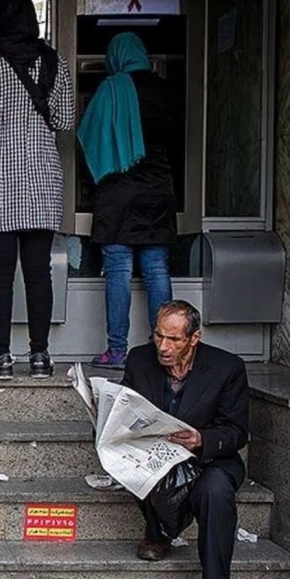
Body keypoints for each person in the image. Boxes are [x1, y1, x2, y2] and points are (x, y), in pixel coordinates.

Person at [0, 0, 75, 380]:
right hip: (43, 178)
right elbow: (65, 120)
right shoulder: (55, 62)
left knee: (0, 274)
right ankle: (40, 357)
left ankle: (2, 357)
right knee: (39, 273)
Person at [122, 301, 249, 579]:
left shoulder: (226, 367)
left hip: (208, 458)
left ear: (194, 338)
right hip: (157, 454)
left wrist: (201, 439)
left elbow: (236, 431)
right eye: (158, 336)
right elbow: (124, 409)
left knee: (215, 491)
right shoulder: (139, 360)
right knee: (131, 463)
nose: (163, 347)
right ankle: (159, 532)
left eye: (174, 339)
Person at [79, 32, 177, 370]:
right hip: (158, 189)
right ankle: (164, 350)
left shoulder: (110, 89)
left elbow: (86, 137)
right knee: (157, 269)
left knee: (118, 271)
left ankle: (117, 351)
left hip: (117, 193)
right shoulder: (165, 89)